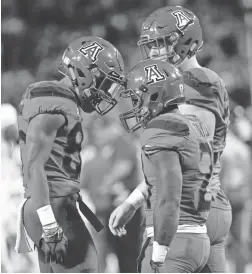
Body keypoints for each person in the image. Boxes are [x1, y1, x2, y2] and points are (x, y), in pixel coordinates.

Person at [110, 6, 232, 272]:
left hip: (190, 210)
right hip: (206, 204)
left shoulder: (197, 83)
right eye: (151, 45)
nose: (155, 52)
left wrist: (135, 200)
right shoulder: (187, 82)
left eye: (162, 43)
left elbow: (186, 159)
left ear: (187, 41)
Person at [16, 36, 126, 273]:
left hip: (50, 204)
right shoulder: (54, 102)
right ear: (87, 74)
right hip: (53, 206)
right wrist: (50, 226)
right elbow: (35, 166)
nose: (105, 92)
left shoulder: (62, 101)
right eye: (105, 84)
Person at [111, 58, 213, 272]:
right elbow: (167, 177)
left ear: (154, 94)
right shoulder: (193, 123)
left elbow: (169, 196)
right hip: (198, 239)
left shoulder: (161, 127)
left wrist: (158, 255)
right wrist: (131, 204)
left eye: (137, 97)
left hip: (173, 242)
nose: (135, 105)